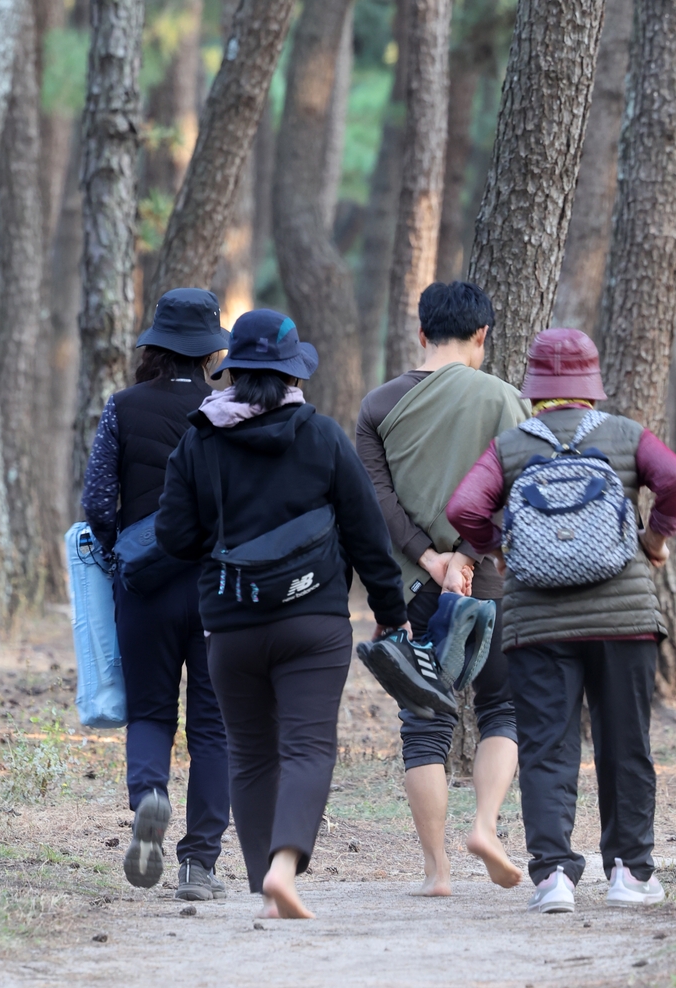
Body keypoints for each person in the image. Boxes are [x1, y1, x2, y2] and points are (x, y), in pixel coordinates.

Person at [156, 309, 408, 919]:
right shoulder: (321, 436)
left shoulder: (199, 438)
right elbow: (367, 531)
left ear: (234, 371)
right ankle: (285, 871)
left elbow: (172, 535)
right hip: (313, 621)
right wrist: (390, 609)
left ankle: (262, 881)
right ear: (294, 373)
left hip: (231, 624)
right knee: (307, 746)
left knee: (250, 753)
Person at [445, 328, 676, 913]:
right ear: (590, 387)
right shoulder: (626, 436)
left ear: (534, 389)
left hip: (538, 624)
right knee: (624, 743)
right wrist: (654, 540)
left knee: (546, 746)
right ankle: (631, 874)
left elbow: (464, 507)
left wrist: (501, 545)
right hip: (624, 619)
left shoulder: (509, 446)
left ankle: (554, 876)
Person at [354, 281, 530, 896]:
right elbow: (517, 492)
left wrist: (430, 558)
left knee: (423, 723)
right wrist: (468, 554)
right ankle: (485, 825)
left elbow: (375, 500)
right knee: (503, 710)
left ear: (421, 332)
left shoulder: (377, 407)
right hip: (493, 583)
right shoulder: (507, 400)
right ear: (481, 335)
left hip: (411, 587)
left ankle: (437, 872)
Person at [81, 288, 232, 901]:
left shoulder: (122, 407)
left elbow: (96, 501)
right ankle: (200, 865)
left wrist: (123, 548)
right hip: (216, 589)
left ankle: (149, 798)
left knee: (149, 713)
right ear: (207, 352)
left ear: (154, 346)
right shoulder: (227, 410)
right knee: (212, 727)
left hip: (142, 588)